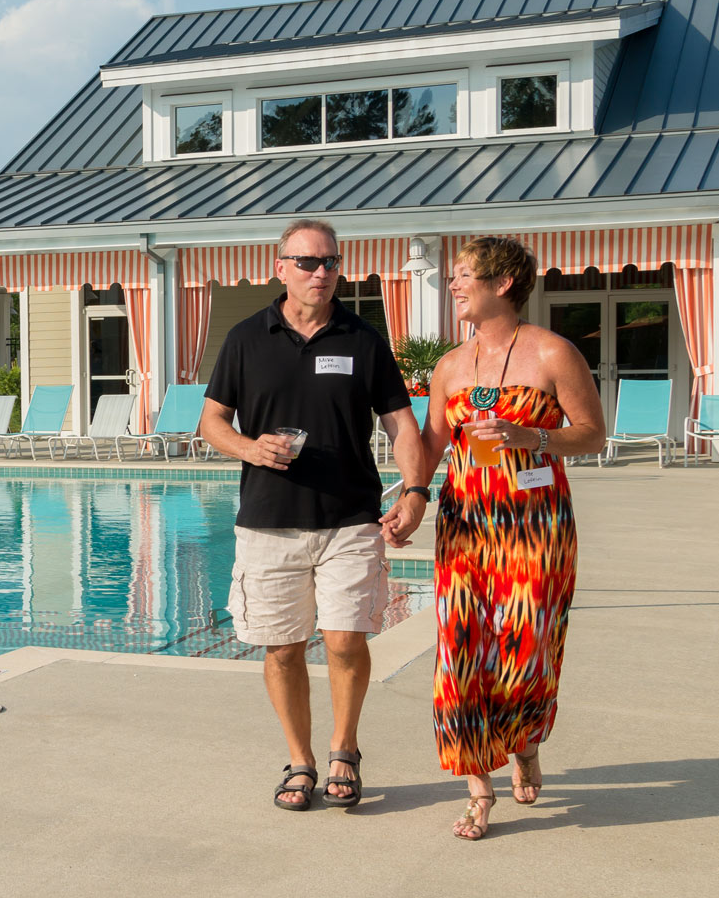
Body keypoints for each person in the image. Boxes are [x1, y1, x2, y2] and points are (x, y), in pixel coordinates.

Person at [198, 218, 432, 814]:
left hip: (349, 517)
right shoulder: (247, 338)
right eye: (307, 262)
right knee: (280, 648)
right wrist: (250, 448)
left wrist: (414, 491)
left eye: (330, 262)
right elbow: (211, 423)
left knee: (346, 640)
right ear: (280, 268)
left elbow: (402, 424)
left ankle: (343, 751)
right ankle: (300, 760)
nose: (321, 273)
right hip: (268, 520)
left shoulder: (363, 339)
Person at [406, 237, 603, 841]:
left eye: (464, 275)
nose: (454, 285)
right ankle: (477, 788)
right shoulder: (449, 367)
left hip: (534, 526)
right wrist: (410, 495)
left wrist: (532, 437)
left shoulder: (552, 353)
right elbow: (433, 444)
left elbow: (593, 434)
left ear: (504, 283)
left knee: (523, 654)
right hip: (465, 524)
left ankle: (526, 741)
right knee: (462, 652)